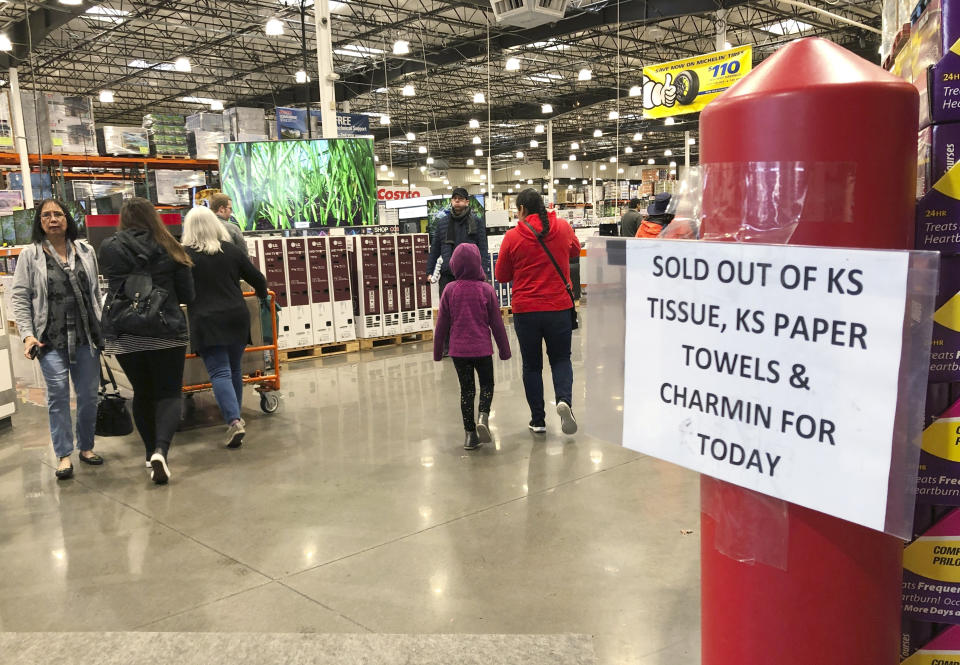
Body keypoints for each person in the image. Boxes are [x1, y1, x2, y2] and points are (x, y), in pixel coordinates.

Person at [99, 198, 195, 484]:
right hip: (166, 331)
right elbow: (188, 295)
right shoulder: (172, 247)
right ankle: (160, 452)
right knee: (168, 394)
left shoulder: (108, 247)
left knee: (142, 393)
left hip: (126, 332)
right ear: (154, 217)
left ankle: (147, 453)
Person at [12, 200, 104, 479]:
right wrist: (27, 335)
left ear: (68, 219)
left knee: (88, 396)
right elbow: (19, 298)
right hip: (49, 340)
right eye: (46, 215)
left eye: (58, 214)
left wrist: (103, 325)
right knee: (58, 397)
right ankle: (64, 454)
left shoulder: (85, 250)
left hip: (86, 338)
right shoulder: (30, 255)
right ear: (39, 222)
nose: (53, 219)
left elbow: (95, 293)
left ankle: (86, 447)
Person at [495, 188, 581, 435]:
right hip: (559, 308)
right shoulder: (563, 227)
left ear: (521, 210)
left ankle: (538, 420)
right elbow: (574, 251)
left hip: (527, 310)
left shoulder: (512, 236)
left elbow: (501, 275)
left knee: (532, 366)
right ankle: (564, 400)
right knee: (561, 359)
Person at [181, 206, 267, 448]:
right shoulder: (230, 250)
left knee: (219, 372)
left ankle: (233, 421)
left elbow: (180, 289)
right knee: (234, 370)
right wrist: (262, 296)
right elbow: (258, 279)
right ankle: (235, 417)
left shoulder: (184, 255)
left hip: (207, 319)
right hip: (236, 316)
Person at [433, 243, 511, 450]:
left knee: (466, 391)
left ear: (455, 264)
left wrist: (437, 352)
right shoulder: (486, 290)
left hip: (458, 351)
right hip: (482, 349)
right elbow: (497, 323)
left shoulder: (449, 290)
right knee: (487, 385)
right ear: (478, 264)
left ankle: (470, 435)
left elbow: (441, 325)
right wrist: (505, 350)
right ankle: (483, 416)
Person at [426, 187, 489, 296]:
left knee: (469, 309)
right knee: (448, 310)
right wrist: (430, 271)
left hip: (471, 276)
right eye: (454, 198)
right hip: (447, 276)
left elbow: (482, 250)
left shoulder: (476, 222)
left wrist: (483, 272)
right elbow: (435, 249)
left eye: (460, 198)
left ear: (467, 202)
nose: (457, 201)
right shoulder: (442, 223)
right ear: (451, 201)